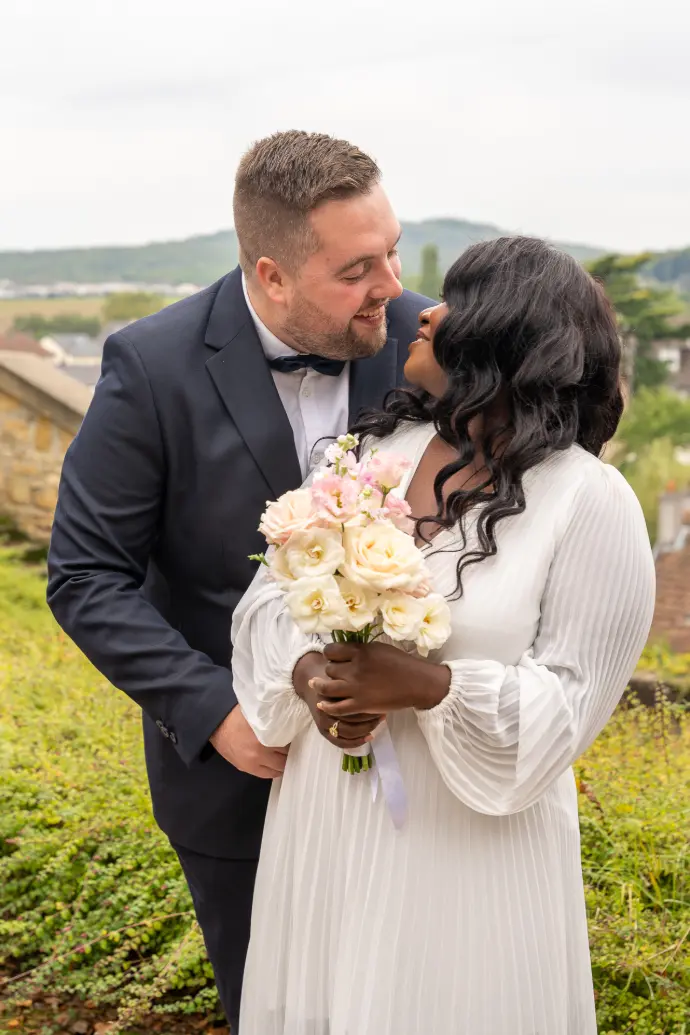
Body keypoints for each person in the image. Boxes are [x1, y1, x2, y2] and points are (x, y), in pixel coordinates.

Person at [46, 130, 432, 1032]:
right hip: (238, 782)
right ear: (271, 275)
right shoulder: (150, 367)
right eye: (358, 268)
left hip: (413, 773)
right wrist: (216, 711)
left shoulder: (423, 337)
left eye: (394, 250)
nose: (392, 284)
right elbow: (85, 574)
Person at [231, 236, 657, 1035]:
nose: (423, 311)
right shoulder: (370, 456)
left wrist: (425, 685)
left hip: (464, 854)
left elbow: (571, 706)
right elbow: (264, 606)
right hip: (327, 825)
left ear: (509, 333)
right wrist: (308, 678)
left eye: (457, 300)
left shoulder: (590, 502)